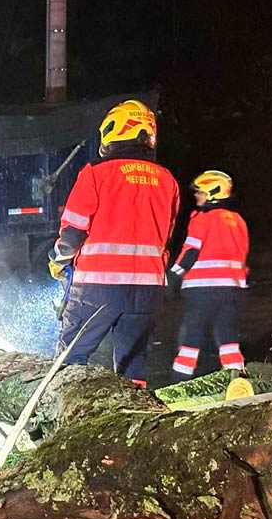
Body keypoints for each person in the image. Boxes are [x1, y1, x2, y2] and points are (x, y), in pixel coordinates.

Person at [47, 99, 180, 387]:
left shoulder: (96, 173)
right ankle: (132, 422)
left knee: (71, 360)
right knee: (133, 370)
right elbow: (166, 237)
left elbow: (73, 232)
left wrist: (57, 261)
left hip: (97, 288)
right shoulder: (167, 180)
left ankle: (58, 422)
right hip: (147, 291)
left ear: (114, 131)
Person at [168, 170, 250, 381]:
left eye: (201, 193)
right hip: (232, 290)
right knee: (228, 336)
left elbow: (191, 252)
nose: (197, 196)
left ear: (213, 193)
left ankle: (180, 380)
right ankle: (237, 379)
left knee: (191, 336)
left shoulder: (203, 219)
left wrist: (173, 277)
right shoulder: (238, 220)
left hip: (202, 290)